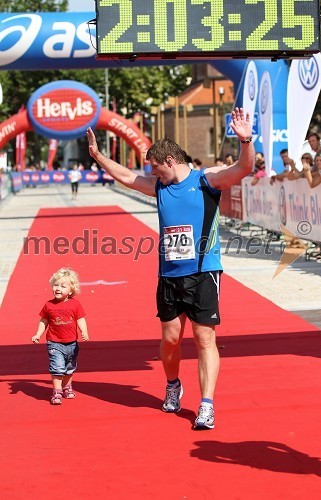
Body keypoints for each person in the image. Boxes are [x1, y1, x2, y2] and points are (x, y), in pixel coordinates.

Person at [87, 107, 254, 430]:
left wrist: (245, 140)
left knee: (204, 338)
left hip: (204, 272)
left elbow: (243, 168)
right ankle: (173, 384)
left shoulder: (207, 181)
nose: (152, 173)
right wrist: (97, 155)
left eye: (155, 167)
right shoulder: (160, 187)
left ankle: (206, 404)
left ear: (169, 161)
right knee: (171, 338)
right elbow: (126, 177)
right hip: (169, 275)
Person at [32, 268, 89, 405]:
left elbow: (80, 319)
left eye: (63, 286)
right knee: (57, 368)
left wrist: (84, 331)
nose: (58, 288)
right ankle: (57, 391)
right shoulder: (49, 305)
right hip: (54, 343)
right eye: (56, 285)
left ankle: (67, 387)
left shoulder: (75, 304)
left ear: (71, 291)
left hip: (72, 344)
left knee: (69, 368)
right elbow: (43, 321)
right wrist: (38, 334)